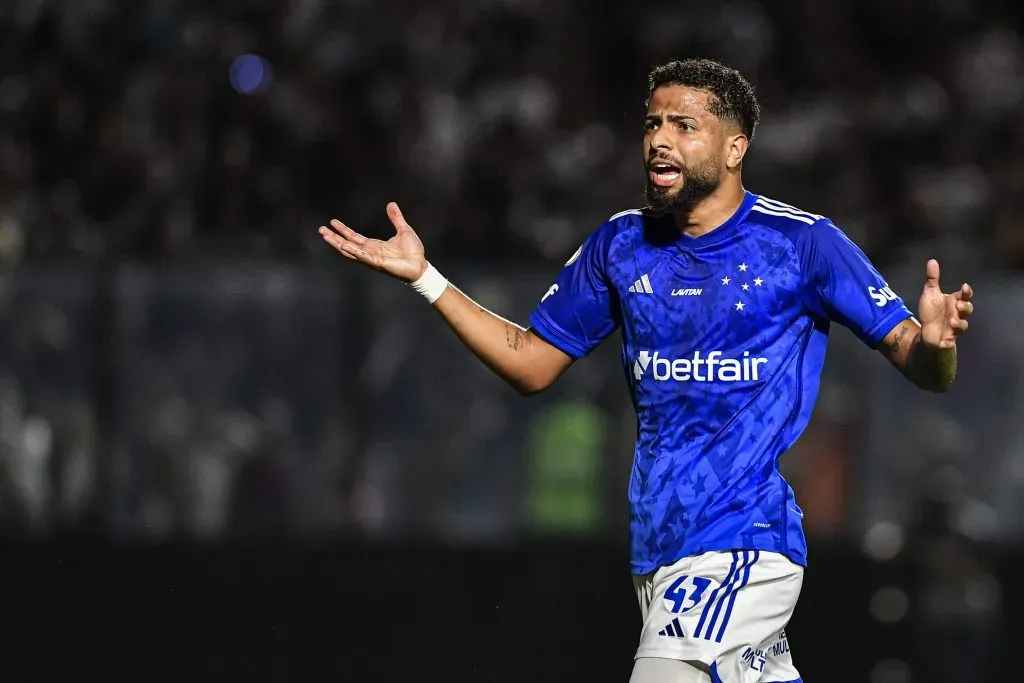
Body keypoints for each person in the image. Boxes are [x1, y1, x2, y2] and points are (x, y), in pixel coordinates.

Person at [318, 58, 975, 683]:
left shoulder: (801, 244)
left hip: (744, 539)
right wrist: (427, 279)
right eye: (653, 124)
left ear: (733, 148)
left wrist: (938, 343)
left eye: (684, 126)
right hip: (660, 548)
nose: (660, 140)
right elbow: (530, 363)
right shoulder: (621, 245)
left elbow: (922, 364)